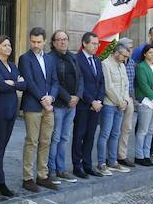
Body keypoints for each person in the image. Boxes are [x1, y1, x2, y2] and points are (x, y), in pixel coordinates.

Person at [18, 27, 60, 192]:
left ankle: (42, 175)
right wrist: (44, 99)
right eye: (33, 41)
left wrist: (52, 98)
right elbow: (29, 82)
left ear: (44, 41)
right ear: (30, 40)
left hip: (49, 106)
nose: (35, 45)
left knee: (46, 141)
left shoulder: (50, 59)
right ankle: (27, 178)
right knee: (31, 141)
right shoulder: (25, 58)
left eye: (38, 42)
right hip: (33, 106)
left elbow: (55, 81)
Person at [0, 36, 25, 198]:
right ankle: (0, 182)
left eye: (9, 45)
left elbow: (24, 84)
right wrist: (14, 83)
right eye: (4, 45)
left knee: (2, 146)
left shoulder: (13, 65)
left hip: (11, 110)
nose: (8, 48)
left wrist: (13, 83)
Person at [49, 30, 82, 183]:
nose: (62, 42)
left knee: (64, 138)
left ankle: (61, 169)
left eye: (65, 39)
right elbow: (54, 82)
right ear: (54, 42)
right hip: (59, 105)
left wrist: (77, 96)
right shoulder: (50, 59)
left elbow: (80, 78)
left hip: (72, 105)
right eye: (59, 40)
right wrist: (68, 97)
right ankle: (52, 170)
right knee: (55, 138)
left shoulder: (73, 57)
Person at [73, 32, 105, 178]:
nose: (96, 46)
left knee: (90, 136)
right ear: (84, 44)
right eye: (93, 43)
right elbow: (79, 84)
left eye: (97, 44)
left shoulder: (97, 60)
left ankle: (87, 165)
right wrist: (91, 101)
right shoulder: (77, 59)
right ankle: (77, 166)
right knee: (79, 135)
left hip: (96, 105)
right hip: (83, 104)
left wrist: (98, 101)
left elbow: (101, 83)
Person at [97, 41, 131, 175]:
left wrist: (125, 101)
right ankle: (101, 163)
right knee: (105, 133)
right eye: (124, 56)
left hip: (121, 105)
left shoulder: (122, 65)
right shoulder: (106, 64)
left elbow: (126, 84)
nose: (125, 59)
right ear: (117, 53)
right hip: (110, 104)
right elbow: (108, 87)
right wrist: (119, 101)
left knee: (115, 133)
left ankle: (112, 161)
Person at [134, 43, 153, 167]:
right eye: (150, 53)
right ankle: (139, 155)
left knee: (151, 130)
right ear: (145, 54)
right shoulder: (141, 67)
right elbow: (143, 85)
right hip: (147, 102)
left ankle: (147, 154)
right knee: (143, 130)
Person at [116, 37, 137, 169]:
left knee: (127, 128)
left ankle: (121, 155)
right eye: (128, 47)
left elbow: (133, 81)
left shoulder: (132, 62)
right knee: (114, 130)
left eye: (131, 47)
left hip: (128, 98)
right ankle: (111, 155)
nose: (131, 49)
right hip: (117, 98)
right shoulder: (117, 61)